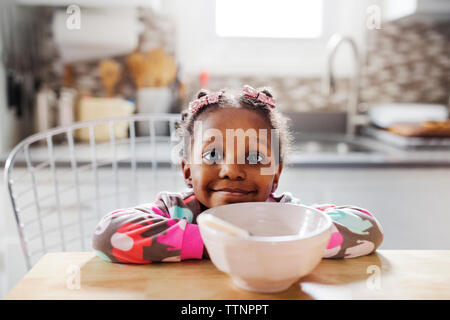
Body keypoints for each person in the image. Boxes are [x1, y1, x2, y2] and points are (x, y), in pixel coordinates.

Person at [92, 85, 383, 263]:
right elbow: (109, 234)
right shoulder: (175, 211)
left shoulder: (285, 214)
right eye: (212, 155)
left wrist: (284, 236)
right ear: (187, 172)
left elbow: (368, 230)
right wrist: (217, 243)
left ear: (276, 175)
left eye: (255, 157)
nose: (231, 170)